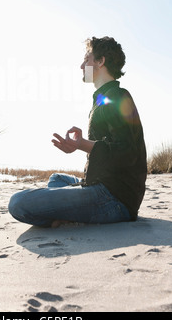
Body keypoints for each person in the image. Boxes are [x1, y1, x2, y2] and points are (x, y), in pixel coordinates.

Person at [8, 36, 147, 227]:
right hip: (99, 184)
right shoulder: (102, 98)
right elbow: (106, 151)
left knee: (18, 203)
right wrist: (80, 146)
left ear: (100, 61)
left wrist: (82, 144)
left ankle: (65, 217)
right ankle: (67, 213)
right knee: (56, 179)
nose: (82, 66)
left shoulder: (118, 97)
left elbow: (127, 152)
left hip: (114, 198)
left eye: (86, 59)